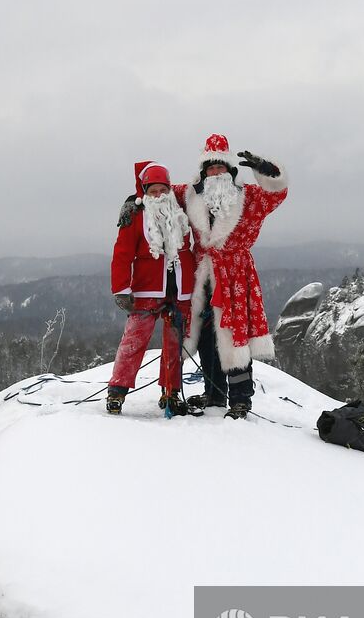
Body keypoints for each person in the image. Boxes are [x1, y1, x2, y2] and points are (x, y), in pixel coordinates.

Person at [171, 134, 288, 419]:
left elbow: (277, 193)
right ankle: (214, 395)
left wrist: (266, 170)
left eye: (221, 167)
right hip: (203, 275)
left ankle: (240, 399)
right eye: (210, 168)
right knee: (207, 337)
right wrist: (135, 200)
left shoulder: (249, 196)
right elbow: (156, 190)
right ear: (203, 172)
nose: (216, 172)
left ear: (230, 170)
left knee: (236, 337)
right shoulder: (188, 195)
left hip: (235, 275)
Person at [106, 161, 195, 416]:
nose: (158, 195)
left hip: (179, 290)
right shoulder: (134, 217)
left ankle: (171, 392)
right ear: (144, 192)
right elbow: (122, 254)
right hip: (146, 291)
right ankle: (117, 391)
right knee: (133, 342)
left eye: (162, 190)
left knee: (175, 345)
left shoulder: (180, 211)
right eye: (153, 191)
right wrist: (121, 288)